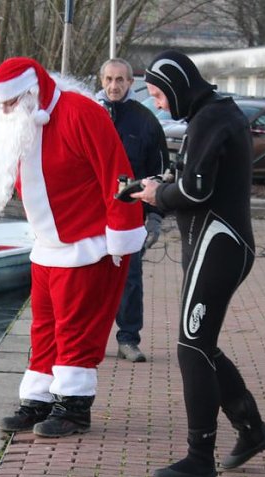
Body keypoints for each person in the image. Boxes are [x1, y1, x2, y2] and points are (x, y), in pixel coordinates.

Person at [0, 57, 146, 438]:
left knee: (75, 329)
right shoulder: (18, 122)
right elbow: (1, 163)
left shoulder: (80, 113)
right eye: (1, 105)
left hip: (86, 244)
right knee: (43, 328)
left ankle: (73, 407)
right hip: (46, 245)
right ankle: (38, 400)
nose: (5, 111)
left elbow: (119, 173)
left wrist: (123, 231)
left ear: (30, 93)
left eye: (10, 103)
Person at [132, 50, 265, 477]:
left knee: (191, 348)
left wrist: (159, 196)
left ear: (176, 88)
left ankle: (200, 457)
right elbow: (195, 182)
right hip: (218, 247)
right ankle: (251, 430)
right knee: (203, 344)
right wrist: (161, 187)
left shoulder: (211, 119)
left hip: (220, 247)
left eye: (158, 94)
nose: (157, 103)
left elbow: (195, 192)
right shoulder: (213, 114)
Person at [96, 58, 169, 363]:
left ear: (130, 82)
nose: (115, 86)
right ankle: (91, 339)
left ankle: (128, 338)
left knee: (130, 278)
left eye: (121, 80)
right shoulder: (90, 115)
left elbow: (161, 171)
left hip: (130, 215)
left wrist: (155, 215)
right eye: (109, 79)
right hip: (92, 214)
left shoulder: (145, 121)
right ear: (102, 81)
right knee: (89, 278)